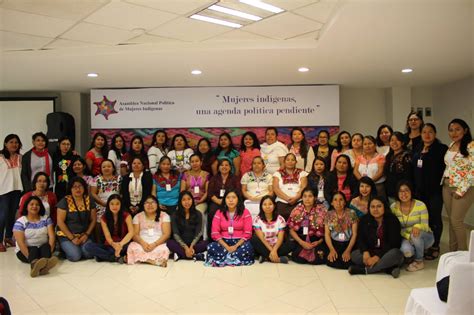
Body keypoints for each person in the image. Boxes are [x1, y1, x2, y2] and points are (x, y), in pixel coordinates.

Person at [413, 123, 448, 259]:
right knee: (423, 219)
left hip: (435, 191)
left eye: (430, 132)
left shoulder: (441, 149)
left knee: (435, 218)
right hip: (419, 191)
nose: (427, 135)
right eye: (424, 132)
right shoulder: (418, 148)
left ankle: (435, 245)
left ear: (435, 134)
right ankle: (425, 244)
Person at [349, 197, 403, 278]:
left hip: (386, 252)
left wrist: (378, 257)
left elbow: (394, 243)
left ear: (384, 207)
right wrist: (365, 252)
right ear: (369, 208)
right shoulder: (364, 219)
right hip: (371, 252)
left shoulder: (392, 220)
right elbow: (360, 239)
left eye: (379, 206)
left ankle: (366, 270)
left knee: (396, 254)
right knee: (354, 255)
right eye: (372, 207)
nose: (375, 209)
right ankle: (388, 268)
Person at [442, 118, 473, 251]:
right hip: (447, 185)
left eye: (457, 129)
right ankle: (452, 253)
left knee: (457, 221)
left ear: (465, 130)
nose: (454, 133)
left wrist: (461, 190)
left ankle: (463, 256)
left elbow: (472, 170)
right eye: (451, 130)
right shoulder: (451, 144)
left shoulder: (471, 146)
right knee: (451, 222)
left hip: (463, 187)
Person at [391, 180, 434, 271]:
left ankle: (419, 261)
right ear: (397, 193)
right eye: (401, 191)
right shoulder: (394, 207)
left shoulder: (420, 205)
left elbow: (425, 225)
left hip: (424, 235)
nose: (404, 194)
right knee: (407, 252)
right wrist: (407, 236)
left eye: (406, 190)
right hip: (406, 237)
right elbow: (394, 228)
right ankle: (414, 253)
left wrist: (417, 226)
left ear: (411, 191)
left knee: (415, 234)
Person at [206, 190, 254, 267]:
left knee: (248, 247)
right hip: (223, 242)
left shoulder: (245, 212)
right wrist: (227, 247)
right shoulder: (219, 212)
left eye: (234, 197)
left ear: (238, 199)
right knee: (211, 246)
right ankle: (234, 257)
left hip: (240, 242)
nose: (231, 200)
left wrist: (235, 246)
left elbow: (248, 232)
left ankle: (225, 257)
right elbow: (215, 233)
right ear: (224, 200)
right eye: (228, 198)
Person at [13, 196, 58, 277]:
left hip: (43, 249)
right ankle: (35, 266)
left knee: (45, 246)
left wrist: (50, 251)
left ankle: (44, 263)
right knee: (33, 249)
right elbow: (20, 243)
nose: (34, 206)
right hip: (25, 251)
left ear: (40, 207)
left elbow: (52, 237)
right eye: (32, 204)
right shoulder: (20, 221)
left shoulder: (46, 219)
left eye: (37, 205)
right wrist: (30, 257)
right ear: (26, 206)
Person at [56, 177, 96, 262]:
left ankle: (77, 247)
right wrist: (72, 238)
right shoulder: (64, 201)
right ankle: (61, 249)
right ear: (70, 189)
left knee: (89, 254)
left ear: (84, 187)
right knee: (75, 256)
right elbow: (60, 222)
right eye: (74, 187)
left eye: (80, 186)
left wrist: (86, 234)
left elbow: (93, 220)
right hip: (67, 236)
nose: (77, 189)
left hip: (84, 235)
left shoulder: (89, 200)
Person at [84, 194, 133, 263]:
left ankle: (103, 256)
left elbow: (131, 233)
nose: (114, 206)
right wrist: (114, 245)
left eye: (117, 204)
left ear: (121, 205)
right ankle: (116, 258)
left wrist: (120, 245)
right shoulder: (104, 218)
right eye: (112, 204)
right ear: (108, 205)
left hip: (124, 243)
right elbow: (107, 236)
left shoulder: (127, 215)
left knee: (130, 247)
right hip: (110, 245)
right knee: (88, 246)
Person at [127, 195, 170, 267]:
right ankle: (153, 261)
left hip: (158, 242)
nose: (150, 205)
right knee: (132, 247)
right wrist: (143, 243)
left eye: (153, 202)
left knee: (163, 249)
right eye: (147, 203)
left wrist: (154, 244)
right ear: (143, 205)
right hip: (142, 242)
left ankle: (143, 259)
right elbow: (135, 235)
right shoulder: (137, 216)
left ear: (157, 204)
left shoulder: (164, 215)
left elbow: (166, 234)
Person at [288, 188, 328, 264]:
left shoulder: (322, 210)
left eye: (310, 196)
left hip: (317, 241)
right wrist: (302, 243)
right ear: (302, 198)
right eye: (305, 196)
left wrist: (319, 242)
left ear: (315, 198)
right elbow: (291, 229)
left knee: (318, 259)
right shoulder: (297, 209)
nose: (307, 199)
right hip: (301, 240)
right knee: (298, 258)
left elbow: (327, 231)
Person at [166, 191, 208, 261]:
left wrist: (191, 246)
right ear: (180, 202)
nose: (187, 202)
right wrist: (185, 247)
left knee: (206, 243)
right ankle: (195, 255)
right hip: (181, 243)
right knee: (169, 243)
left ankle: (181, 254)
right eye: (184, 200)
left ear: (192, 200)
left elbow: (199, 232)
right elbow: (175, 233)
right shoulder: (175, 215)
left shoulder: (198, 214)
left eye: (189, 199)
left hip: (194, 243)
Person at [251, 196, 291, 263]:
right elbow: (262, 239)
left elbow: (280, 238)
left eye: (270, 204)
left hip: (277, 246)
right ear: (261, 206)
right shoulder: (257, 220)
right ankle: (278, 259)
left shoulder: (280, 219)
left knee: (292, 243)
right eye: (265, 204)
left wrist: (274, 250)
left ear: (274, 205)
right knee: (253, 240)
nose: (267, 206)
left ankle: (265, 257)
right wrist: (272, 251)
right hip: (264, 245)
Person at [0, 134, 23, 252]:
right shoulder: (0, 156)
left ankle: (8, 237)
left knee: (11, 215)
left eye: (16, 142)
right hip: (3, 190)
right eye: (11, 142)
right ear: (5, 143)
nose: (14, 144)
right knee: (2, 216)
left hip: (16, 189)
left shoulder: (21, 157)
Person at [207, 158, 241, 234]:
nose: (224, 167)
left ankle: (231, 235)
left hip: (231, 201)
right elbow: (210, 193)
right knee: (212, 212)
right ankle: (212, 236)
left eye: (226, 165)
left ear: (230, 167)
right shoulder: (214, 178)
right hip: (217, 201)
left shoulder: (235, 178)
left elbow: (238, 192)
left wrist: (228, 201)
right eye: (222, 165)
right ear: (218, 167)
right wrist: (219, 201)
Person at [325, 192, 358, 269]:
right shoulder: (329, 214)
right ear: (332, 203)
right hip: (334, 243)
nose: (338, 203)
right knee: (331, 261)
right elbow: (327, 234)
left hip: (348, 243)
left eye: (341, 200)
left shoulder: (352, 213)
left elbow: (354, 234)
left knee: (348, 262)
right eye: (335, 200)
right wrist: (332, 250)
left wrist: (348, 251)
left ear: (345, 202)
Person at [90, 159, 122, 238]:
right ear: (101, 169)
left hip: (116, 204)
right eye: (104, 167)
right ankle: (99, 241)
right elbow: (93, 193)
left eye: (109, 166)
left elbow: (121, 193)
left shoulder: (119, 178)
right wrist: (102, 203)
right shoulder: (96, 179)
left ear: (113, 168)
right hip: (101, 204)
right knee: (98, 218)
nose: (106, 168)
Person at [273, 153, 308, 221]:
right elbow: (276, 188)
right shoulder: (277, 173)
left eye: (292, 160)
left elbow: (303, 187)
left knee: (300, 216)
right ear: (284, 161)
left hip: (298, 201)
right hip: (282, 201)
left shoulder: (302, 172)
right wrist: (287, 199)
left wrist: (296, 198)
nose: (290, 162)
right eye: (288, 160)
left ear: (296, 162)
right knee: (280, 215)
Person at [241, 156, 273, 220]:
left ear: (263, 165)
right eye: (254, 163)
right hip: (250, 201)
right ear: (252, 165)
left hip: (264, 202)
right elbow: (243, 190)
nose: (256, 165)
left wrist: (262, 198)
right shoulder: (246, 175)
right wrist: (250, 197)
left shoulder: (269, 176)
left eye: (259, 163)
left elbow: (271, 191)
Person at [384, 132, 412, 202]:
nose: (394, 142)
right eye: (392, 140)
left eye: (397, 140)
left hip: (402, 192)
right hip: (390, 191)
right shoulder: (389, 155)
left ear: (402, 142)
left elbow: (408, 176)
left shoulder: (406, 156)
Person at [52, 136, 77, 201]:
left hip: (72, 186)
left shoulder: (74, 157)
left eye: (68, 144)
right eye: (63, 144)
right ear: (59, 144)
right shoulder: (54, 156)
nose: (66, 146)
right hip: (59, 187)